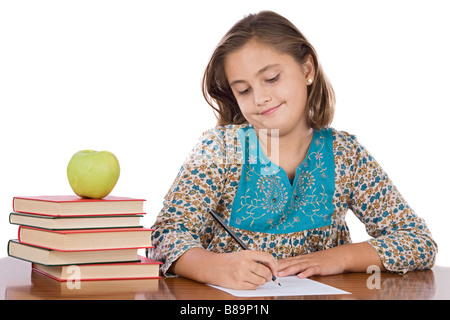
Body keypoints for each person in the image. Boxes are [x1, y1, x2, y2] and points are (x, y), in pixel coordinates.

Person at [150, 11, 437, 290]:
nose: (261, 98)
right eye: (244, 90)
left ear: (307, 69)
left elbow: (417, 240)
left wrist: (340, 257)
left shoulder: (346, 155)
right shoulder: (220, 150)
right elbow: (165, 235)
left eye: (272, 78)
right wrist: (214, 267)